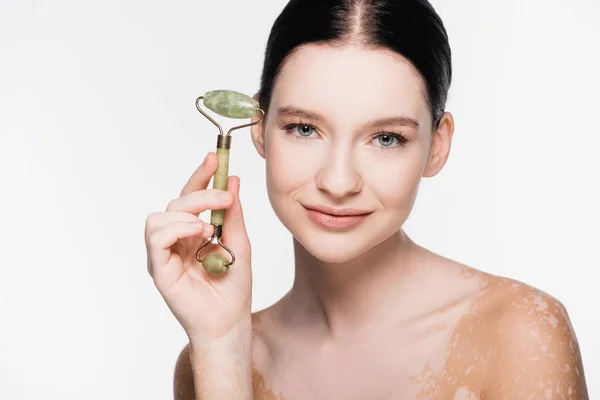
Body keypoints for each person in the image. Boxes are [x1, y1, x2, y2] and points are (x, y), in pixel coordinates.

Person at [144, 0, 590, 399]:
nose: (339, 182)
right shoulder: (211, 350)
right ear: (259, 129)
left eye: (386, 138)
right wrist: (222, 348)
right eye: (304, 128)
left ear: (437, 145)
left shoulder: (518, 335)